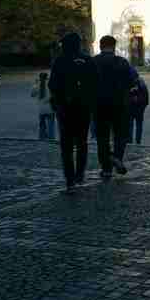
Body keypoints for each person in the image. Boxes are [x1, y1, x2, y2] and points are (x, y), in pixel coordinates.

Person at [49, 32, 98, 192]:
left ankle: (70, 179)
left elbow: (53, 85)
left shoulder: (60, 61)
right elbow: (95, 82)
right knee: (82, 143)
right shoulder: (88, 60)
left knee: (67, 145)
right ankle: (80, 175)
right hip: (84, 108)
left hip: (65, 108)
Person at [93, 35, 134, 179]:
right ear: (114, 47)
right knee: (120, 135)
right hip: (120, 104)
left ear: (100, 46)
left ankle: (106, 168)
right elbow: (132, 81)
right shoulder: (122, 62)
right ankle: (117, 157)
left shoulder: (94, 62)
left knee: (102, 137)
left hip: (99, 105)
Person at [31, 72, 56, 140]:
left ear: (39, 77)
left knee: (42, 125)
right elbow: (54, 95)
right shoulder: (50, 84)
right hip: (50, 109)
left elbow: (32, 95)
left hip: (41, 110)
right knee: (51, 125)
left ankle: (42, 137)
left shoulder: (37, 85)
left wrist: (35, 84)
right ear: (47, 77)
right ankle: (51, 137)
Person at [127, 73, 149, 145]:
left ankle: (132, 140)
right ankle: (136, 140)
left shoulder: (131, 84)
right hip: (136, 109)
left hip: (135, 109)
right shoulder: (142, 85)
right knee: (137, 125)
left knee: (133, 125)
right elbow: (146, 100)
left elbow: (146, 100)